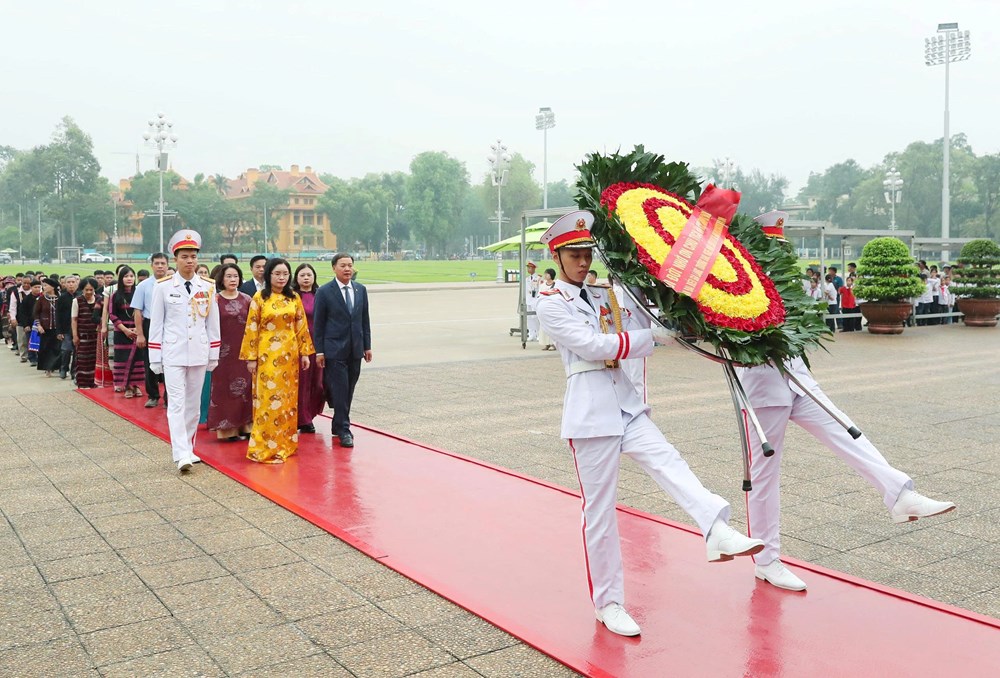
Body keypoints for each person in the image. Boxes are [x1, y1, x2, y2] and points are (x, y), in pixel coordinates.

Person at [534, 211, 764, 638]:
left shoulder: (604, 294)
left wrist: (654, 291)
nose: (583, 262)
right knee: (600, 513)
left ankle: (716, 527)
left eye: (587, 253)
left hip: (625, 402)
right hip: (590, 413)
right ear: (557, 256)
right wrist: (650, 338)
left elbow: (640, 324)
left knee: (670, 462)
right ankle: (609, 602)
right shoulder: (549, 302)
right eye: (574, 254)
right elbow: (592, 345)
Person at [737, 357, 956, 592]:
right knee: (765, 473)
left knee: (845, 431)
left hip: (797, 377)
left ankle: (899, 495)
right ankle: (766, 561)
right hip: (762, 388)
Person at [148, 231, 221, 473]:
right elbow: (156, 324)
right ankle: (180, 453)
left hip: (199, 351)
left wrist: (213, 353)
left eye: (193, 257)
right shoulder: (163, 287)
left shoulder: (207, 286)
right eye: (185, 257)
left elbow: (213, 323)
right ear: (175, 259)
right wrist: (155, 357)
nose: (190, 261)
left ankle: (189, 448)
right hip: (173, 352)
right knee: (176, 404)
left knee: (192, 405)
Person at [239, 258, 315, 463]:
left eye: (285, 274)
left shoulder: (294, 298)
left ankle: (285, 444)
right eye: (277, 274)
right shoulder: (259, 298)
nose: (282, 278)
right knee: (268, 400)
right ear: (269, 275)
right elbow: (251, 328)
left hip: (290, 357)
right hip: (266, 356)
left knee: (287, 401)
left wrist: (305, 353)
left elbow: (301, 326)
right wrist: (251, 358)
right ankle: (264, 446)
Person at [314, 253, 372, 448]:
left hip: (355, 349)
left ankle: (338, 423)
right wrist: (319, 351)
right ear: (334, 268)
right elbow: (319, 324)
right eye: (343, 265)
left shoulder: (360, 289)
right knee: (340, 389)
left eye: (350, 265)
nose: (347, 269)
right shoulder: (324, 292)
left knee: (349, 389)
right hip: (334, 349)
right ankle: (344, 430)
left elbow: (364, 320)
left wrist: (367, 346)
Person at [207, 263, 253, 441]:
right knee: (223, 389)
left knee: (245, 389)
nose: (233, 280)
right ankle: (227, 430)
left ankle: (246, 426)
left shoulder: (247, 299)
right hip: (222, 353)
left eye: (235, 276)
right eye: (228, 276)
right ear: (221, 279)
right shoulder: (214, 300)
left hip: (244, 351)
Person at [131, 253, 171, 408]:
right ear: (151, 265)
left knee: (170, 361)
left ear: (168, 265)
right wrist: (140, 334)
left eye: (163, 263)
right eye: (157, 263)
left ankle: (169, 397)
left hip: (170, 326)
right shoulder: (143, 286)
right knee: (150, 361)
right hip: (150, 325)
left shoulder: (174, 283)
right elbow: (137, 311)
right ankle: (153, 395)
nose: (160, 266)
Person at [291, 263, 326, 434]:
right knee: (301, 383)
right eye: (302, 275)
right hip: (297, 345)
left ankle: (310, 414)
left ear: (314, 277)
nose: (306, 278)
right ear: (296, 278)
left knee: (317, 383)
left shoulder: (321, 295)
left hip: (318, 344)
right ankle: (302, 419)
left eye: (309, 275)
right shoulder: (291, 296)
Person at [109, 266, 145, 398]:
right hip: (121, 333)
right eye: (126, 276)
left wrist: (138, 329)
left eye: (131, 276)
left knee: (138, 359)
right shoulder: (115, 295)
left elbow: (145, 312)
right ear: (121, 278)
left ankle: (136, 385)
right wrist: (124, 330)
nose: (129, 279)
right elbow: (112, 315)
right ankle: (127, 386)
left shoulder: (139, 293)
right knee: (123, 359)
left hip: (138, 331)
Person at [71, 277, 102, 389]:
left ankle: (95, 382)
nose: (89, 292)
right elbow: (74, 320)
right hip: (83, 336)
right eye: (86, 290)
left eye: (91, 290)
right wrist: (75, 336)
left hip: (97, 336)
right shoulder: (77, 301)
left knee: (95, 360)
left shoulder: (100, 299)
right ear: (82, 289)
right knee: (83, 360)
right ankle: (83, 383)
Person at [33, 277, 62, 376]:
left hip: (58, 328)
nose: (44, 287)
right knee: (45, 348)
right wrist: (39, 325)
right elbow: (36, 313)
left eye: (46, 285)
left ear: (53, 287)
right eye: (43, 286)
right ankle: (47, 368)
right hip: (45, 328)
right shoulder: (41, 299)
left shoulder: (60, 298)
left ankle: (57, 367)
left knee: (57, 348)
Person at [56, 275, 80, 379]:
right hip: (65, 328)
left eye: (73, 282)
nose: (71, 284)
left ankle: (74, 371)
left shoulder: (80, 296)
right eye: (68, 282)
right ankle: (63, 368)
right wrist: (59, 331)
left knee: (77, 351)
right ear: (65, 284)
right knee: (66, 350)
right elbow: (58, 315)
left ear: (77, 283)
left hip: (79, 328)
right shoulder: (62, 298)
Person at [12, 276, 36, 363]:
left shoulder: (36, 292)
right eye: (24, 283)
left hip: (33, 320)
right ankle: (23, 356)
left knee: (32, 339)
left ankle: (33, 356)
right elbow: (13, 306)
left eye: (28, 283)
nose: (26, 285)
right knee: (22, 339)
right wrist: (13, 318)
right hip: (20, 318)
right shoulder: (16, 293)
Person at [537, 268, 557, 350]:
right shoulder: (542, 285)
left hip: (553, 308)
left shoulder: (556, 284)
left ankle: (553, 344)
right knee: (544, 326)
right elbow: (539, 295)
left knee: (552, 326)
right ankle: (546, 343)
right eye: (545, 274)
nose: (545, 275)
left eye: (547, 274)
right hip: (544, 307)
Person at [525, 261, 541, 342]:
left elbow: (540, 289)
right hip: (528, 300)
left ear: (534, 268)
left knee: (536, 318)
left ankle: (538, 334)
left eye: (530, 267)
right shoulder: (527, 279)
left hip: (535, 300)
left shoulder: (538, 278)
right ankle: (531, 334)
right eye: (528, 267)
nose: (528, 269)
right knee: (529, 318)